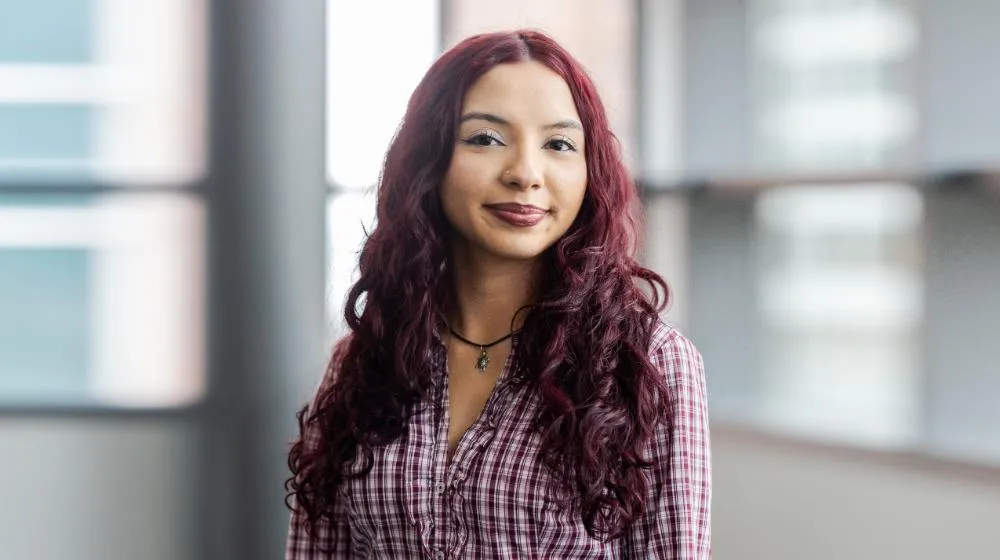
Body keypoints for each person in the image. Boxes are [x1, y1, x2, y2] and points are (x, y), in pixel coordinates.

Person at [285, 29, 711, 559]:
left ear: (589, 171)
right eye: (486, 138)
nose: (525, 174)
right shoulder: (366, 357)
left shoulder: (649, 364)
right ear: (429, 160)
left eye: (558, 144)